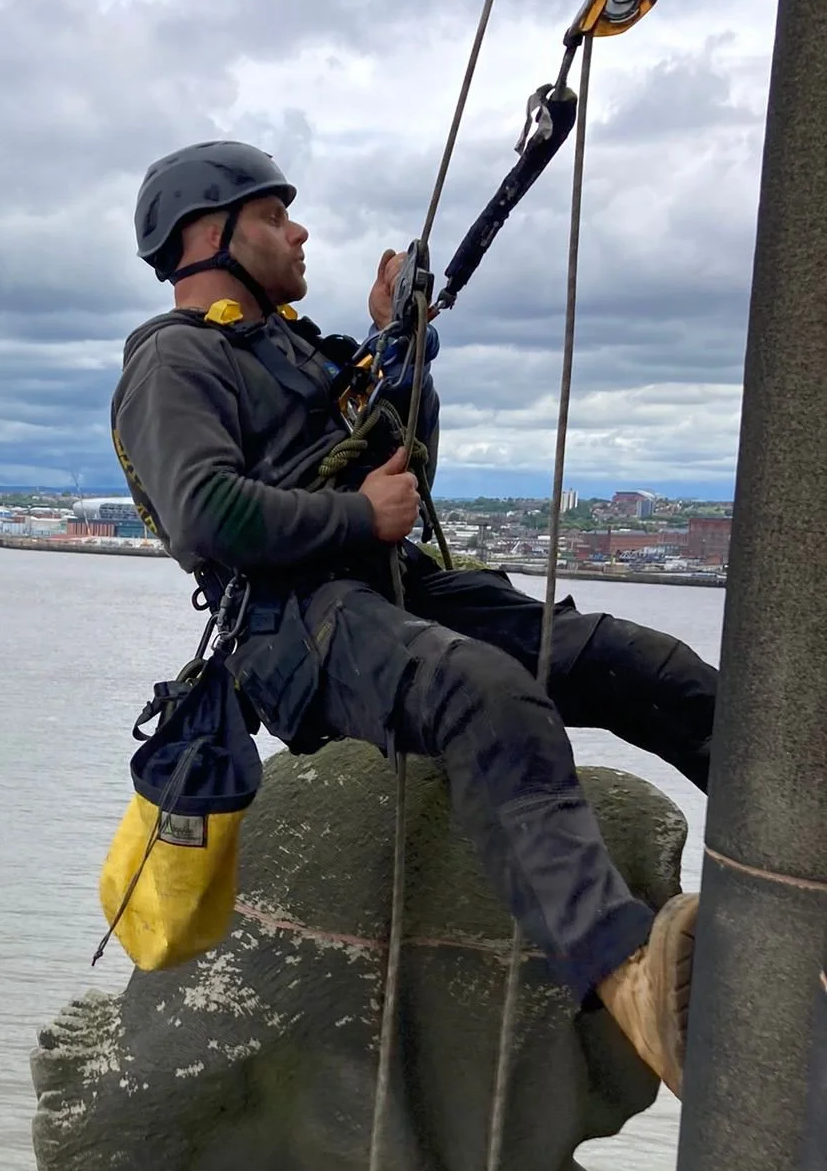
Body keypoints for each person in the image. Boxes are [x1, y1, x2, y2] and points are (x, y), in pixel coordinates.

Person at [112, 139, 718, 1092]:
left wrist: (405, 344)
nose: (298, 230)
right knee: (485, 693)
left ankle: (789, 830)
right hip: (287, 626)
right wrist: (361, 515)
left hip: (386, 588)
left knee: (630, 660)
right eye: (274, 216)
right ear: (208, 234)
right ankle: (624, 971)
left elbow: (400, 458)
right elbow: (206, 510)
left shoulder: (297, 353)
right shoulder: (174, 361)